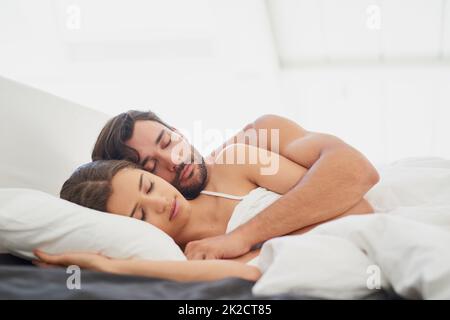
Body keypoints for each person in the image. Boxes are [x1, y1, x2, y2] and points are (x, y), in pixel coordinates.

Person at [35, 145, 373, 282]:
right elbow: (257, 274)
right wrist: (108, 266)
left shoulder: (233, 162)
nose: (161, 203)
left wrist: (244, 240)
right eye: (140, 216)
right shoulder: (192, 257)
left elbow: (360, 205)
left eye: (149, 186)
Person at [90, 111, 380, 260]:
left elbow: (356, 172)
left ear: (177, 131)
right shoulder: (168, 243)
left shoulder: (256, 140)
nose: (173, 160)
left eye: (167, 142)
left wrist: (242, 238)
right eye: (152, 168)